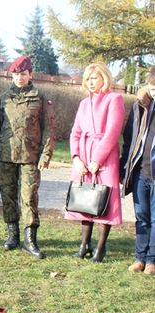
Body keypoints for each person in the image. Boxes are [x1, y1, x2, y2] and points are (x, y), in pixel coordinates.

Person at [0, 55, 56, 259]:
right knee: (7, 196)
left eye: (23, 74)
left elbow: (50, 129)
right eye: (16, 74)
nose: (19, 78)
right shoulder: (4, 98)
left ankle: (30, 239)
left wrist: (46, 156)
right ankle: (12, 235)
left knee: (29, 197)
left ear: (30, 74)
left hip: (30, 157)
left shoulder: (40, 97)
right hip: (5, 156)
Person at [65, 62, 125, 262]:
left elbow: (112, 133)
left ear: (104, 78)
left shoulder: (114, 99)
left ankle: (100, 248)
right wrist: (76, 159)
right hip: (83, 153)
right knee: (84, 199)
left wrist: (97, 160)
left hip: (105, 156)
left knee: (103, 199)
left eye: (94, 78)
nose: (91, 82)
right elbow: (75, 133)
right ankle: (84, 244)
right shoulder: (83, 104)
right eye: (88, 79)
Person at [119, 69, 155, 275]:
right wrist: (125, 167)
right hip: (141, 172)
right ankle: (139, 258)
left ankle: (151, 261)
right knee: (141, 216)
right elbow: (129, 140)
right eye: (152, 89)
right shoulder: (139, 106)